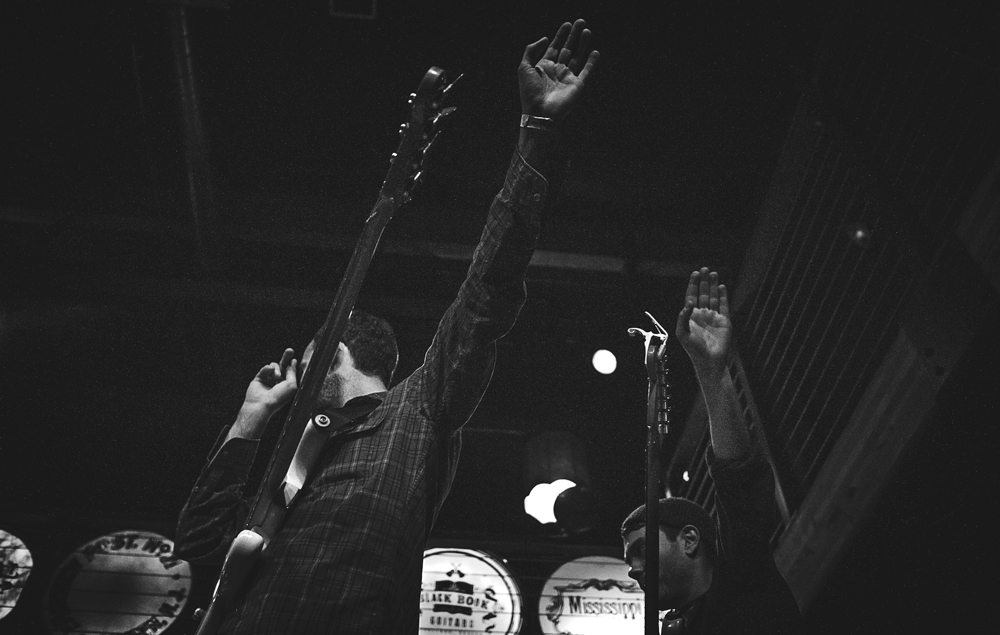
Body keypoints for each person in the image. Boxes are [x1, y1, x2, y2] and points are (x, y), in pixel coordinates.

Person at [173, 19, 600, 635]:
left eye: (312, 356)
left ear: (337, 351)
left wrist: (536, 134)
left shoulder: (417, 412)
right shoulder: (297, 456)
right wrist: (250, 418)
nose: (297, 370)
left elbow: (488, 289)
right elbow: (200, 543)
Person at [621, 268, 804, 634]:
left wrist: (711, 370)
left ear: (689, 539)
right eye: (630, 558)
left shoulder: (741, 581)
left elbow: (739, 478)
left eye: (642, 549)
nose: (633, 569)